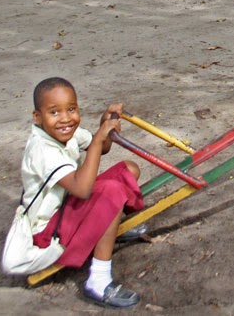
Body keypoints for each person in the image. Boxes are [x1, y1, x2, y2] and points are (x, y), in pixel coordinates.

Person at [19, 77, 146, 308]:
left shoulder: (65, 131)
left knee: (128, 170)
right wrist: (97, 141)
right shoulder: (42, 149)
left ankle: (104, 229)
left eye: (71, 109)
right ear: (37, 117)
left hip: (67, 208)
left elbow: (103, 147)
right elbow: (83, 189)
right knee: (112, 191)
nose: (65, 118)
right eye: (54, 112)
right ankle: (98, 280)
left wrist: (105, 123)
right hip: (47, 234)